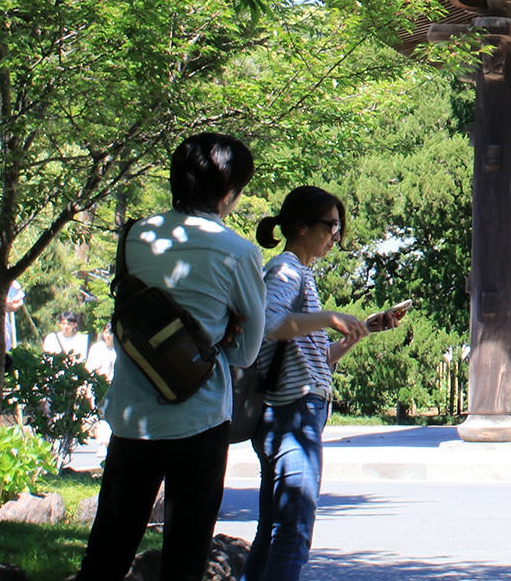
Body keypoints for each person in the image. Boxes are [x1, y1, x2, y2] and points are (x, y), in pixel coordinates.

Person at [79, 133, 267, 581]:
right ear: (229, 193)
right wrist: (222, 335)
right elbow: (246, 350)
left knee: (107, 551)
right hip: (198, 419)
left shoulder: (134, 237)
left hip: (131, 415)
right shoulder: (238, 252)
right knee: (186, 554)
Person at [246, 185, 404, 581]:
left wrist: (358, 330)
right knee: (294, 529)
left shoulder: (301, 274)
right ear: (301, 226)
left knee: (273, 530)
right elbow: (267, 324)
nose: (337, 236)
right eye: (331, 226)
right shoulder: (285, 270)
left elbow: (312, 359)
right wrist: (329, 317)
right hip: (291, 414)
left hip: (294, 409)